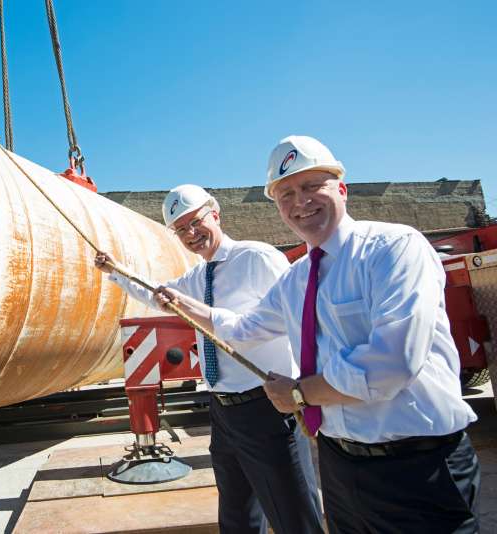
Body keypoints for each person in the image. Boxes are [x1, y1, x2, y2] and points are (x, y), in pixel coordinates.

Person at [155, 136, 481, 533]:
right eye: (286, 193)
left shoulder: (393, 249)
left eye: (312, 186)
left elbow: (392, 364)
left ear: (341, 188)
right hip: (340, 463)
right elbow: (242, 328)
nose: (300, 202)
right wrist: (178, 303)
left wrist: (300, 393)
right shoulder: (297, 279)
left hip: (417, 469)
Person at [95, 184, 324, 534]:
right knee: (237, 517)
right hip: (223, 411)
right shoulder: (197, 277)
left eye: (195, 222)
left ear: (214, 214)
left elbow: (298, 320)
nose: (190, 233)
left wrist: (310, 389)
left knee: (293, 516)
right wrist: (115, 272)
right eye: (181, 229)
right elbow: (157, 294)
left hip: (267, 408)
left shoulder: (256, 258)